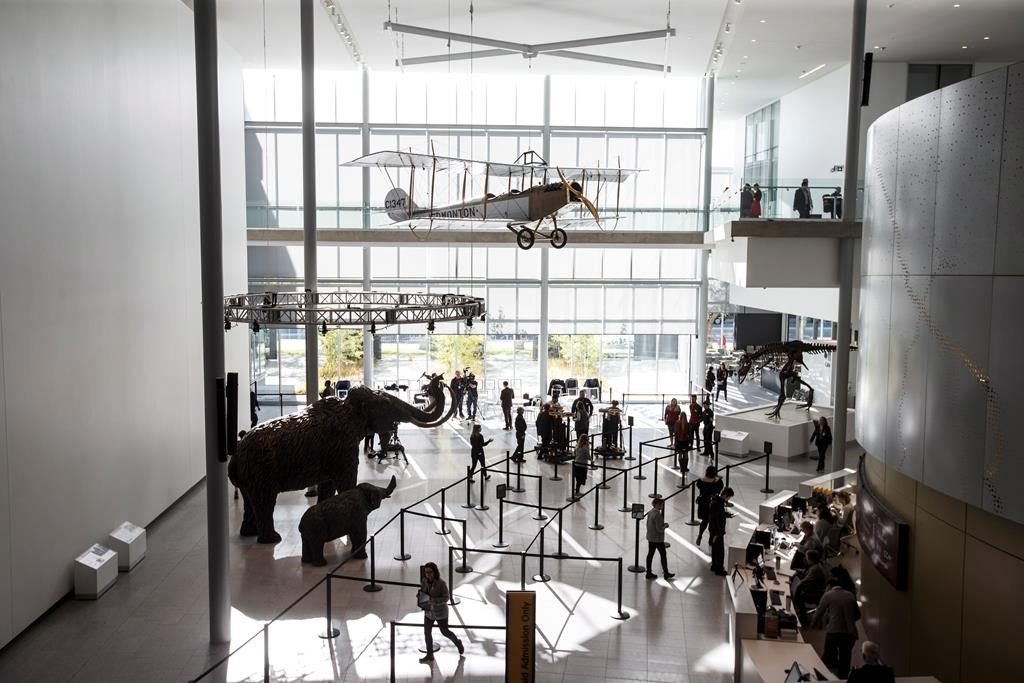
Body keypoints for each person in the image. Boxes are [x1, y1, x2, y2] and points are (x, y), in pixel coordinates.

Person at [811, 577, 862, 678]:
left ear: (829, 586)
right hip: (850, 634)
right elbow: (858, 615)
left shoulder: (828, 595)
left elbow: (819, 612)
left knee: (826, 656)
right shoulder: (850, 595)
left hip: (833, 632)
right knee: (845, 659)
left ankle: (821, 676)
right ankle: (842, 677)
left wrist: (813, 625)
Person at [417, 562, 464, 663]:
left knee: (445, 632)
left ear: (434, 572)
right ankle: (429, 655)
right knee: (427, 633)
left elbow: (446, 597)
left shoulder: (441, 584)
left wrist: (434, 600)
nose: (428, 574)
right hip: (428, 611)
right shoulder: (424, 581)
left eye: (430, 572)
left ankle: (458, 643)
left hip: (440, 612)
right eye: (426, 572)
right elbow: (424, 591)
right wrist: (420, 595)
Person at [792, 549, 830, 624]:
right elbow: (806, 573)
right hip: (816, 590)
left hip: (817, 595)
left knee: (800, 597)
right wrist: (797, 570)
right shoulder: (816, 565)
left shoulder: (815, 569)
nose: (805, 559)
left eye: (806, 557)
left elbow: (803, 582)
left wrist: (794, 597)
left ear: (811, 559)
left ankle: (803, 620)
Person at [645, 497, 674, 580]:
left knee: (650, 554)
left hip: (651, 537)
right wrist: (665, 525)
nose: (663, 506)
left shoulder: (651, 512)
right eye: (661, 505)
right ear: (657, 505)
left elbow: (650, 524)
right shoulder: (657, 514)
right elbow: (659, 529)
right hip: (657, 539)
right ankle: (666, 572)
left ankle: (649, 572)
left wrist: (661, 524)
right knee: (663, 554)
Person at [708, 486, 734, 576]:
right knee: (720, 551)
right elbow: (715, 519)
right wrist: (718, 533)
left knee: (715, 549)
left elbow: (719, 515)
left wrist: (727, 515)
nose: (728, 499)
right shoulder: (717, 504)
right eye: (729, 497)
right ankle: (719, 568)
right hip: (717, 531)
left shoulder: (717, 501)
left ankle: (714, 565)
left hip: (714, 530)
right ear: (725, 495)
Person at [695, 466, 724, 545]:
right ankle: (711, 540)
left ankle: (700, 535)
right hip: (713, 503)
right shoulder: (718, 482)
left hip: (703, 503)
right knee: (713, 522)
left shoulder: (700, 481)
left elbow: (699, 486)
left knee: (704, 521)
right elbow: (719, 491)